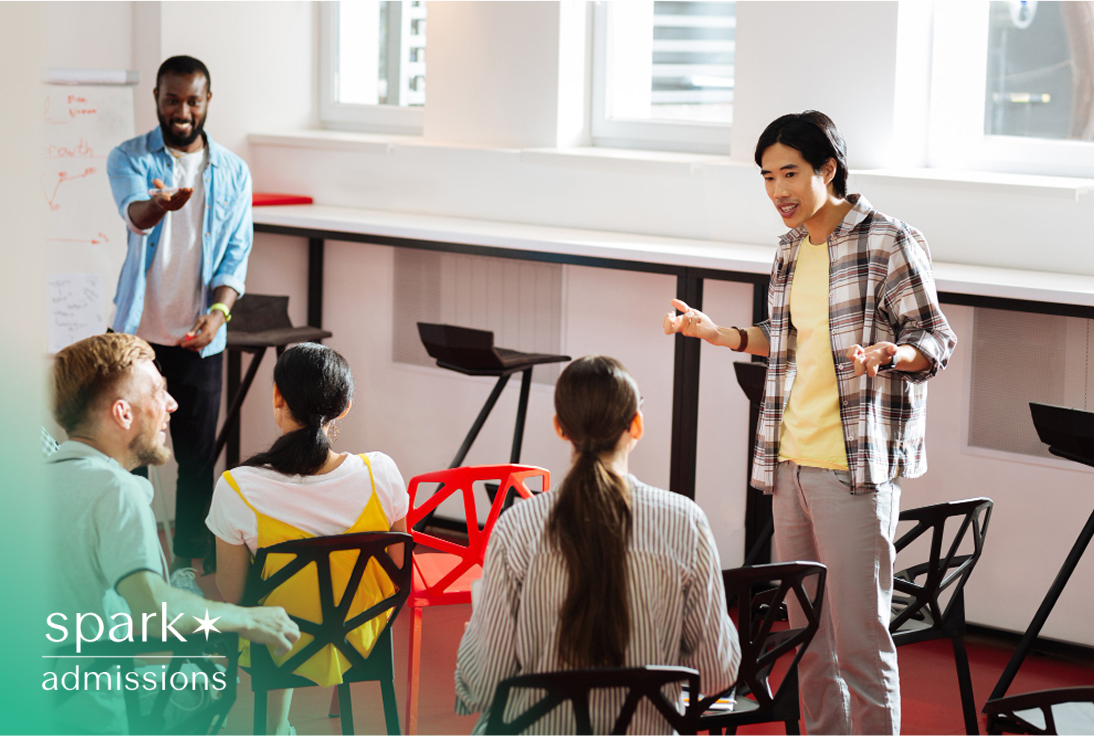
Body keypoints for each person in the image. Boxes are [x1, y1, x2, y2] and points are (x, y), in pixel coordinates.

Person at [664, 111, 957, 735]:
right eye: (767, 177)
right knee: (806, 637)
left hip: (852, 469)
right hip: (789, 460)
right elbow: (788, 337)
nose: (778, 192)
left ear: (828, 168)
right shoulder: (791, 247)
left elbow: (935, 337)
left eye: (790, 173)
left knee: (859, 639)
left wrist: (891, 355)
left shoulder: (888, 240)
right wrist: (719, 333)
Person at [455, 356, 740, 734]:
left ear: (560, 428)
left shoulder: (516, 527)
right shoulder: (686, 522)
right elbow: (716, 674)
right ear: (636, 425)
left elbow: (485, 683)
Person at [46, 333, 300, 733]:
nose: (172, 404)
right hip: (90, 712)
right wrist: (243, 619)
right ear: (123, 413)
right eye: (158, 391)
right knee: (211, 686)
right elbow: (152, 611)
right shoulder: (116, 490)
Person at [206, 343, 409, 736]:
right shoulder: (380, 473)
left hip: (278, 646)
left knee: (273, 608)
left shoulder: (238, 487)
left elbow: (233, 593)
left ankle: (277, 726)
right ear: (345, 407)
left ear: (277, 397)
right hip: (358, 636)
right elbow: (397, 569)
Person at [106, 55, 253, 588]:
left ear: (208, 101)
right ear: (157, 99)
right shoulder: (129, 158)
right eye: (173, 100)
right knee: (134, 456)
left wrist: (219, 314)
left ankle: (191, 569)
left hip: (199, 342)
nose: (183, 111)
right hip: (137, 338)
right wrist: (159, 204)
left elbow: (236, 255)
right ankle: (137, 565)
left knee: (195, 461)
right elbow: (135, 216)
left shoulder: (234, 172)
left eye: (193, 100)